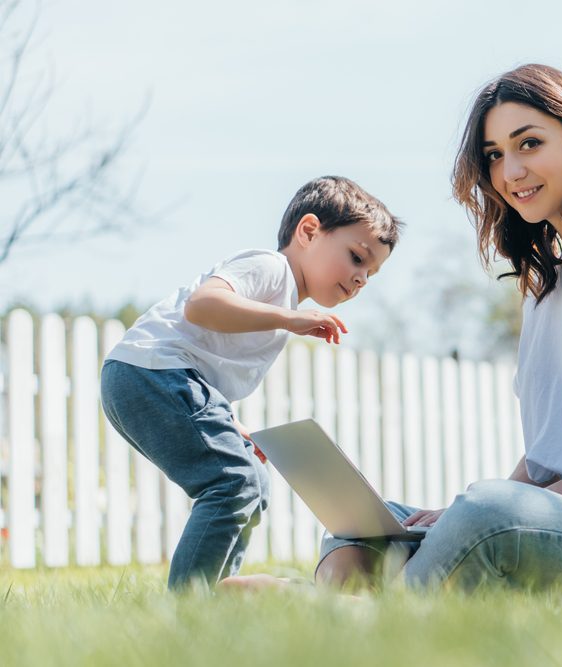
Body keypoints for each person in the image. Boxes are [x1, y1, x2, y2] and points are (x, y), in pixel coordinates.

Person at [227, 64, 562, 598]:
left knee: (491, 512)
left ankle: (348, 618)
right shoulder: (545, 290)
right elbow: (551, 456)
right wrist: (459, 518)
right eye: (495, 155)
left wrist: (510, 514)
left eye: (530, 143)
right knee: (359, 533)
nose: (511, 170)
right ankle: (358, 606)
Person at [101, 175, 402, 590]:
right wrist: (290, 319)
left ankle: (220, 589)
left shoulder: (282, 299)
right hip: (151, 372)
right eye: (355, 257)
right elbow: (202, 306)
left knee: (253, 483)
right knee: (232, 482)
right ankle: (191, 604)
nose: (361, 278)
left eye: (371, 273)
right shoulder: (270, 267)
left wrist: (229, 425)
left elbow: (206, 362)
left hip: (151, 377)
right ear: (309, 231)